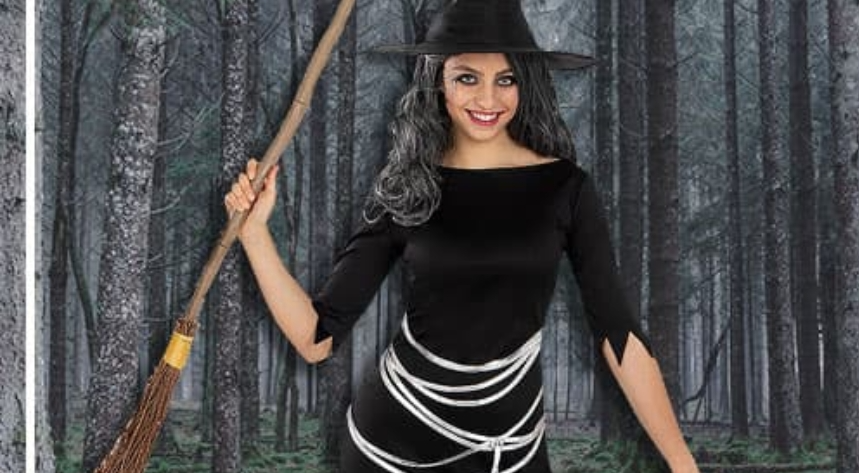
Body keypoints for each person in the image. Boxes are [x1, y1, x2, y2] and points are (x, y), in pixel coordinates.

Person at [224, 1, 700, 472]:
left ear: (525, 82)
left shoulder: (565, 188)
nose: (488, 100)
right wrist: (255, 233)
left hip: (514, 449)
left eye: (505, 79)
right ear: (438, 80)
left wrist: (682, 464)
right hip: (391, 448)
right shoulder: (408, 188)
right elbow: (316, 338)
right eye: (467, 78)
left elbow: (620, 336)